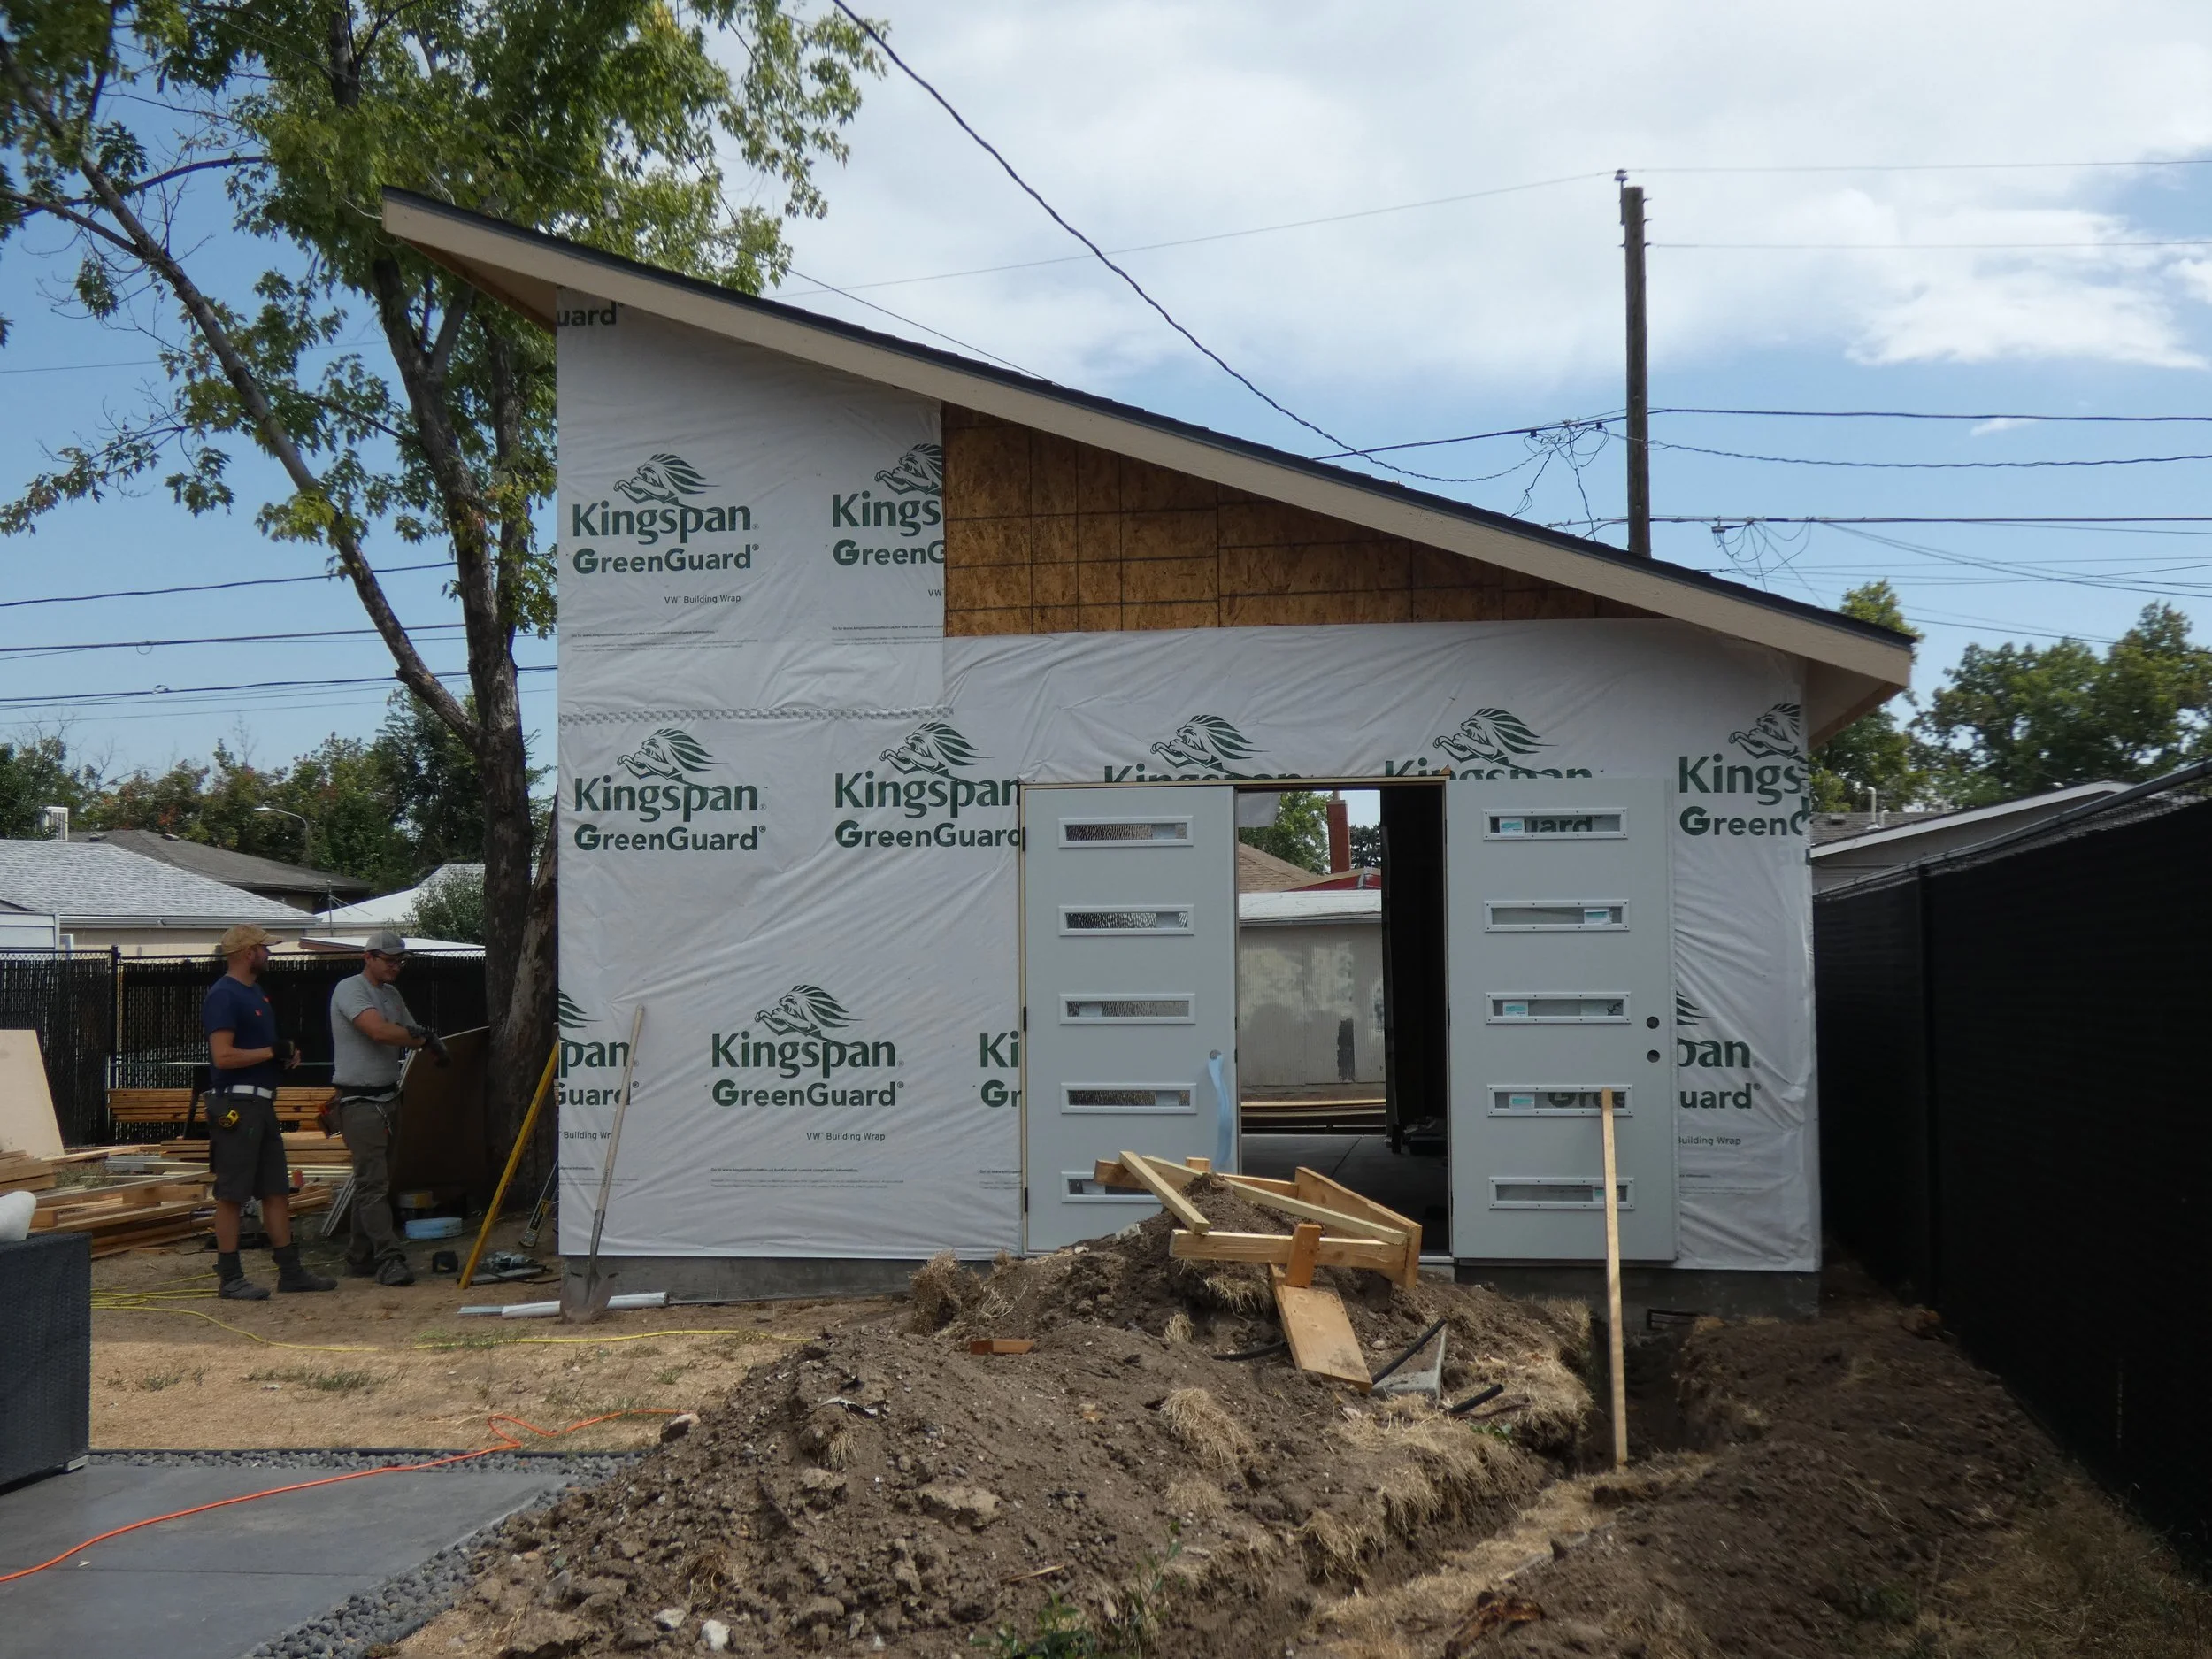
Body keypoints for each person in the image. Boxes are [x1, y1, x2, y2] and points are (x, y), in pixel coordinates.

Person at [203, 923, 337, 1300]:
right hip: (236, 1105)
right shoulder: (224, 995)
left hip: (260, 1103)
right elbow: (222, 1056)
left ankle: (291, 1273)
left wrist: (281, 1059)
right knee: (232, 1193)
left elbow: (256, 1053)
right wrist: (269, 1052)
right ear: (248, 953)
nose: (269, 954)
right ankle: (230, 1278)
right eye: (264, 948)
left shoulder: (255, 994)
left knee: (276, 1190)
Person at [329, 930, 441, 1286]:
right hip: (359, 1102)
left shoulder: (391, 994)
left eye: (400, 961)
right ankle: (389, 1258)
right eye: (389, 960)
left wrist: (420, 1036)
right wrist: (424, 1038)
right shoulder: (350, 989)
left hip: (387, 1097)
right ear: (368, 957)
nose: (396, 967)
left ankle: (359, 1256)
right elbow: (378, 1031)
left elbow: (407, 1029)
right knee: (373, 1184)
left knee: (376, 1182)